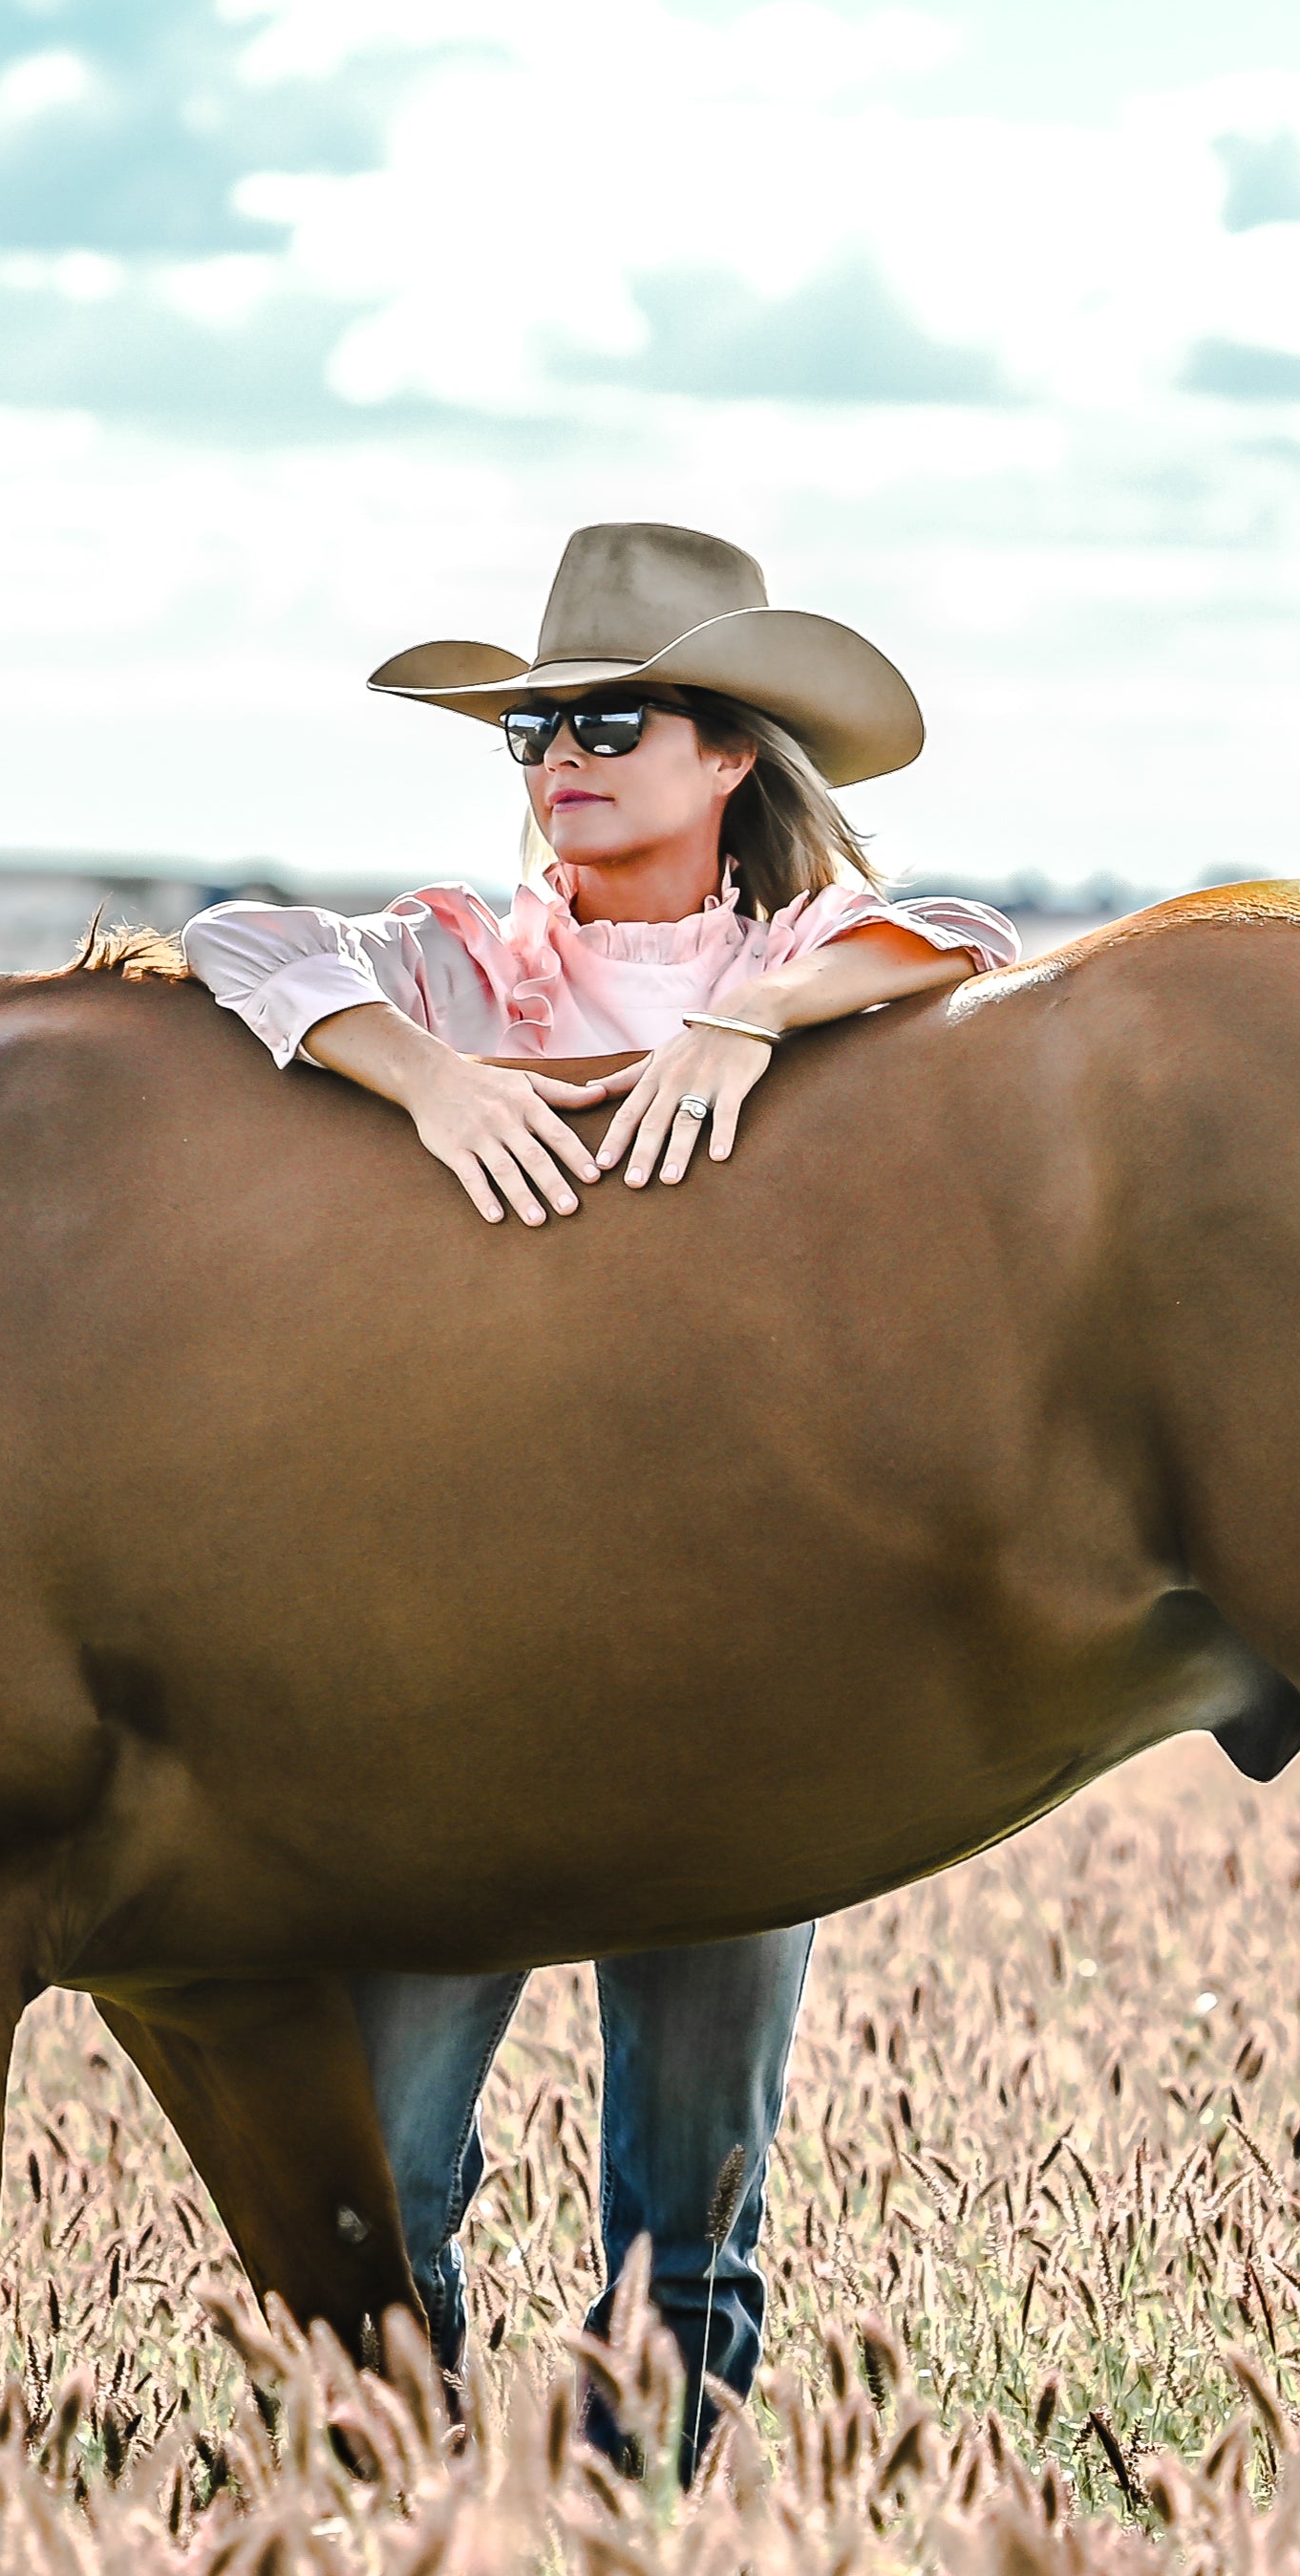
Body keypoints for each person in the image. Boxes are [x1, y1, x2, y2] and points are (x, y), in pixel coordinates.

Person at [178, 520, 1023, 2458]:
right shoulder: (465, 961)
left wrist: (746, 1019)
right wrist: (419, 1075)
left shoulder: (794, 957)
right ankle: (395, 2525)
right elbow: (236, 938)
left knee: (690, 2199)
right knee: (374, 2173)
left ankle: (641, 2569)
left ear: (729, 752)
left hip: (743, 1656)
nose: (559, 751)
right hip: (463, 1651)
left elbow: (969, 938)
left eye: (608, 719)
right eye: (533, 726)